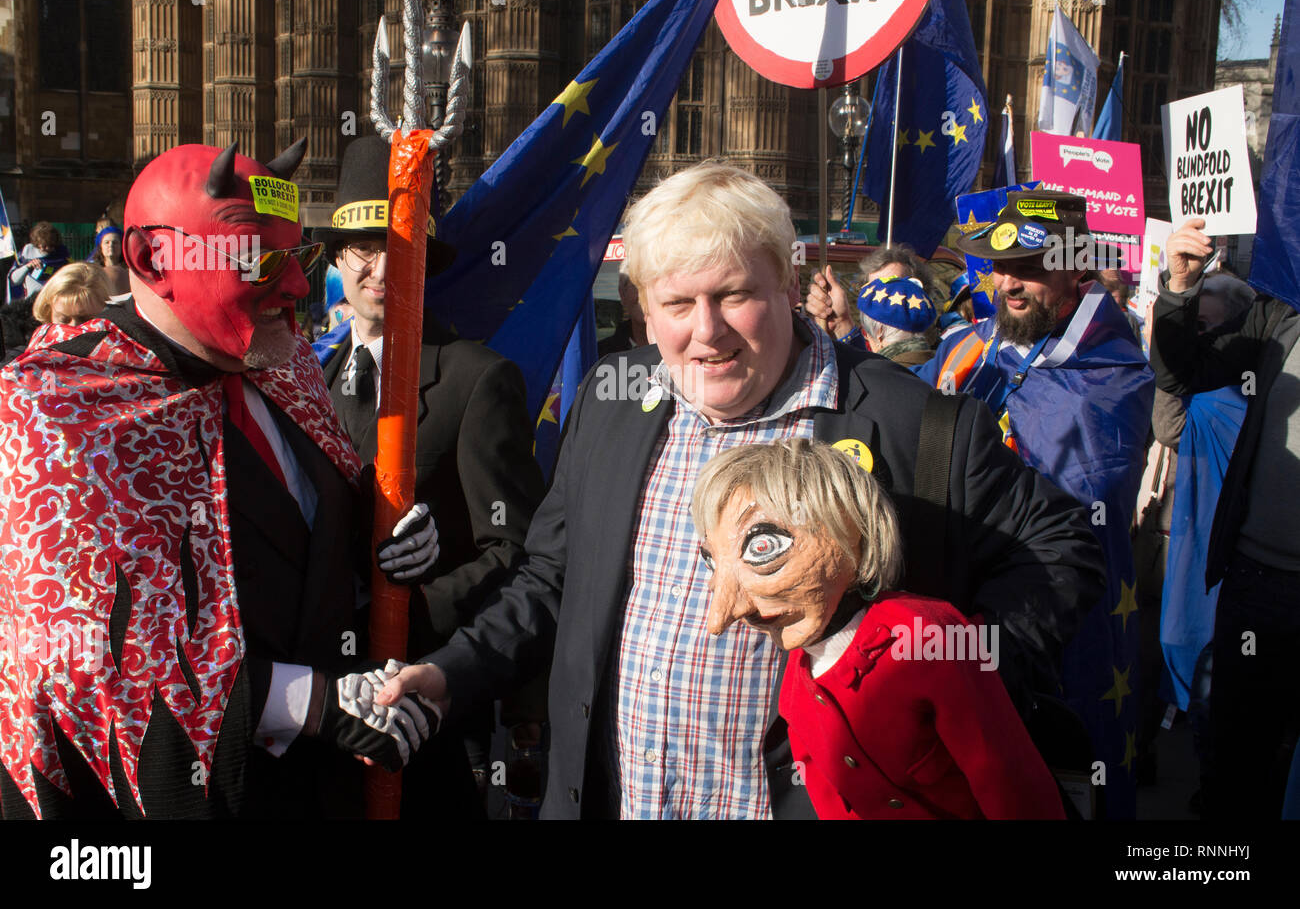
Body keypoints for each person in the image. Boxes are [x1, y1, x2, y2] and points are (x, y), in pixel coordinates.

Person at [377, 161, 1105, 819]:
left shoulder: (915, 424)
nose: (707, 333)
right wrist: (448, 675)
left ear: (788, 285)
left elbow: (1063, 548)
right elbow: (550, 580)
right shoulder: (610, 397)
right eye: (677, 304)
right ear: (643, 306)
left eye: (733, 295)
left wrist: (945, 673)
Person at [0, 140, 445, 820]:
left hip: (320, 791)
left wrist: (384, 529)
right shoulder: (51, 406)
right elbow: (83, 659)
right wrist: (313, 702)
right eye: (255, 259)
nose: (296, 285)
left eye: (300, 256)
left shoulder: (286, 366)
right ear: (153, 259)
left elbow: (309, 525)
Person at [313, 135, 546, 805]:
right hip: (327, 708)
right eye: (363, 248)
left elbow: (517, 549)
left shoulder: (476, 379)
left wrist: (405, 606)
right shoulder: (310, 379)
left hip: (430, 703)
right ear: (336, 258)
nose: (381, 266)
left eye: (398, 247)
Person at [916, 190, 1155, 818]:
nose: (1009, 284)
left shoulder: (1113, 372)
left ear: (1074, 269)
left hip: (1056, 618)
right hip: (953, 614)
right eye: (1000, 268)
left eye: (1029, 267)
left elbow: (1080, 499)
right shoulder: (962, 348)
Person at [693, 438, 1065, 819]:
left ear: (849, 528)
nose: (724, 615)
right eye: (711, 561)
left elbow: (1009, 779)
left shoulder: (929, 638)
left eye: (763, 547)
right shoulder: (795, 689)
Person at [1153, 216, 1300, 819]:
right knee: (1239, 761)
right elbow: (1178, 372)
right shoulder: (1278, 317)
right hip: (1260, 579)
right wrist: (1181, 286)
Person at [805, 244, 940, 346]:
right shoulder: (864, 341)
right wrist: (841, 322)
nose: (880, 300)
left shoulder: (935, 358)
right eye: (872, 290)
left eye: (893, 288)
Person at [852, 276, 937, 366]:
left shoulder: (881, 375)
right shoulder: (945, 363)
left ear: (879, 334)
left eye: (866, 334)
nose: (866, 339)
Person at [31, 262, 110, 326]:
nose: (73, 327)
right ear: (48, 312)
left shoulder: (117, 342)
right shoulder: (37, 344)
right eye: (64, 320)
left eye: (86, 320)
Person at [9, 221, 69, 301]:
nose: (47, 248)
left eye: (51, 245)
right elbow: (14, 281)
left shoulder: (62, 253)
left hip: (54, 301)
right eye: (44, 245)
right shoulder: (27, 252)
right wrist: (28, 266)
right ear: (36, 242)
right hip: (31, 303)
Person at [598, 271, 649, 355]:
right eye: (637, 284)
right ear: (622, 294)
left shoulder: (678, 351)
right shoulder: (598, 357)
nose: (645, 294)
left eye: (653, 284)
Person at [87, 225, 130, 299]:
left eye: (115, 242)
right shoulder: (92, 271)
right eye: (107, 242)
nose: (111, 245)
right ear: (101, 247)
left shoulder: (129, 271)